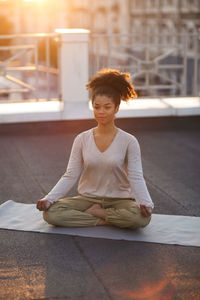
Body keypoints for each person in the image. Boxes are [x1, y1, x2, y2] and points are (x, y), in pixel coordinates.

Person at [36, 69, 154, 229]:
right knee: (51, 213)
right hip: (88, 199)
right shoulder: (82, 139)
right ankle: (106, 219)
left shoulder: (129, 141)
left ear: (116, 108)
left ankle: (98, 214)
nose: (101, 112)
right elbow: (71, 174)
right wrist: (48, 199)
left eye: (107, 107)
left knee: (140, 219)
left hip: (121, 201)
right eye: (97, 107)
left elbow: (136, 176)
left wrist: (145, 203)